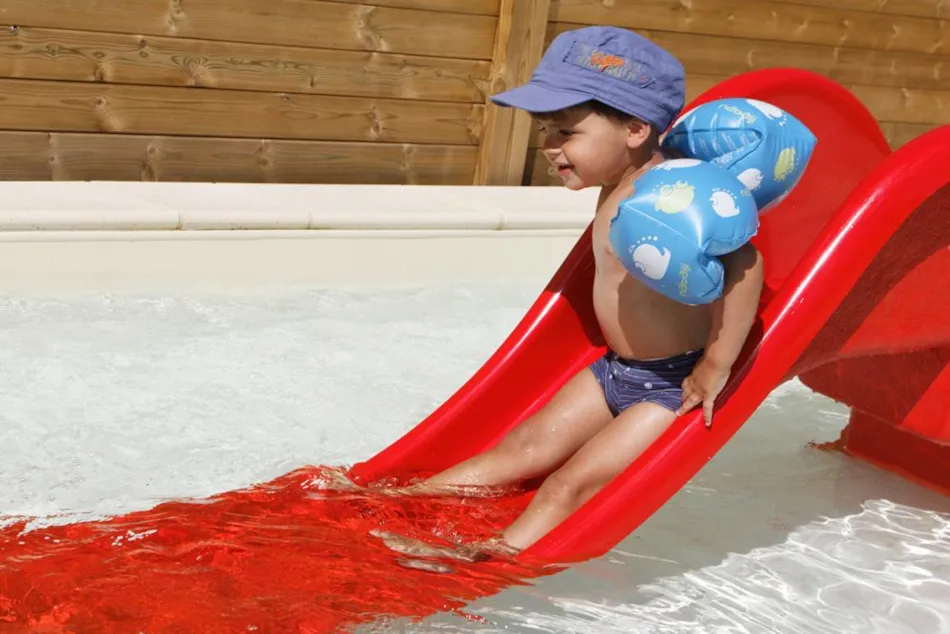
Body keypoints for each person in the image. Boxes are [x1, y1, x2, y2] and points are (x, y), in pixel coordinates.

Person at [372, 25, 764, 562]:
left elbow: (744, 257)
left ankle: (490, 558)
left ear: (634, 128)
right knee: (521, 449)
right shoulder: (619, 181)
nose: (549, 147)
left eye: (566, 132)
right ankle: (392, 501)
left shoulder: (670, 192)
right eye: (545, 131)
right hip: (614, 370)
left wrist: (717, 363)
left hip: (672, 387)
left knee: (565, 486)